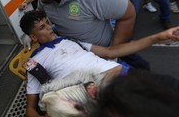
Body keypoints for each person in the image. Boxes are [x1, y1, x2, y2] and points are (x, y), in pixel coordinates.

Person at [19, 10, 179, 117]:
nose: (49, 28)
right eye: (42, 27)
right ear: (33, 37)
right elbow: (30, 110)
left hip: (126, 75)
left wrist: (157, 37)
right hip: (102, 94)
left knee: (171, 89)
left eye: (48, 22)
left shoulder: (70, 40)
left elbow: (111, 52)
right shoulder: (35, 62)